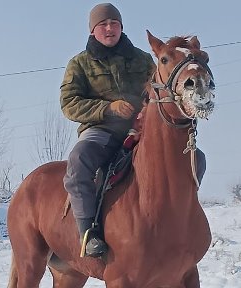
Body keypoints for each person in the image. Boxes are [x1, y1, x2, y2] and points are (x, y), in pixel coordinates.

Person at [60, 3, 156, 258]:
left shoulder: (143, 59)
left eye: (114, 23)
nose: (109, 28)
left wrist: (143, 116)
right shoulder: (79, 64)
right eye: (103, 24)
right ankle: (88, 233)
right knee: (78, 160)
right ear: (93, 31)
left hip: (141, 131)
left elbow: (157, 94)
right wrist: (107, 108)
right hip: (100, 130)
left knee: (193, 157)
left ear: (122, 27)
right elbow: (69, 103)